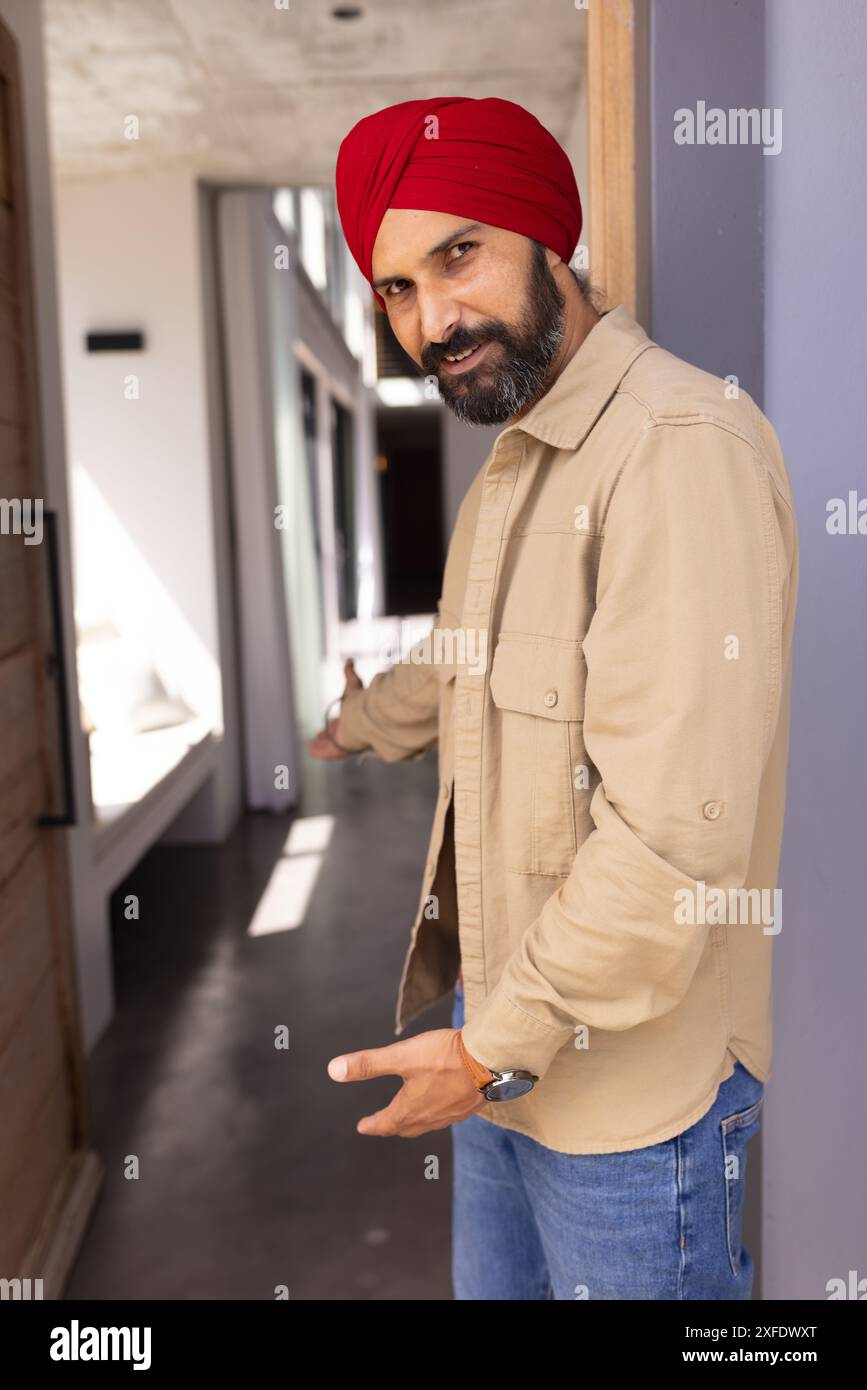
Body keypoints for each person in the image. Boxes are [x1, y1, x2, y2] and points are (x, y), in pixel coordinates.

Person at [310, 96, 798, 1300]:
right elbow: (462, 666)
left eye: (458, 254)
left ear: (544, 236)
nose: (434, 319)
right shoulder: (513, 466)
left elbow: (670, 843)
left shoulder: (679, 445)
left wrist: (483, 1050)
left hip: (629, 1105)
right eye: (397, 290)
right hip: (507, 1041)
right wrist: (361, 721)